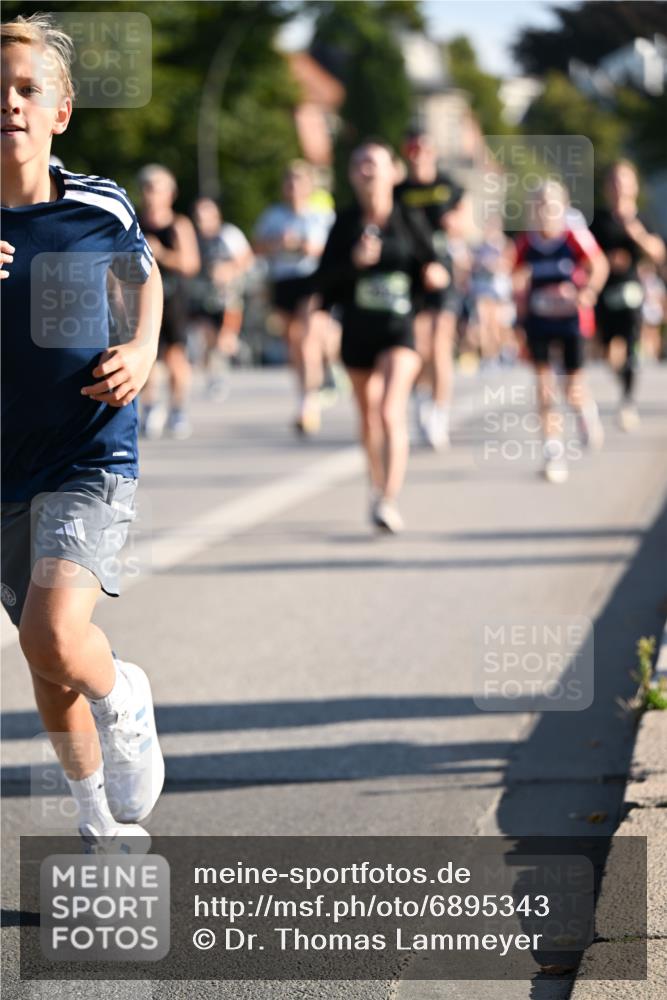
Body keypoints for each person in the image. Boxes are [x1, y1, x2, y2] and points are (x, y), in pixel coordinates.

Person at [1, 13, 165, 851]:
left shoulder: (98, 203)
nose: (10, 104)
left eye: (27, 90)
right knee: (45, 658)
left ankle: (124, 696)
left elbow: (145, 278)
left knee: (54, 633)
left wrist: (142, 348)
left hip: (89, 451)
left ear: (59, 111)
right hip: (5, 467)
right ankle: (95, 810)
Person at [313, 139, 449, 532]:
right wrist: (353, 262)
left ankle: (388, 498)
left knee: (390, 410)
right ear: (352, 175)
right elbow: (323, 280)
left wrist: (435, 275)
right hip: (358, 330)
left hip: (400, 329)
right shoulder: (345, 223)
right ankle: (377, 486)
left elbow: (436, 265)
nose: (367, 170)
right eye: (359, 163)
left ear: (393, 172)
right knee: (369, 418)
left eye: (374, 162)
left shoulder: (408, 218)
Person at [513, 179, 608, 484]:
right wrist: (520, 308)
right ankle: (553, 452)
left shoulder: (572, 237)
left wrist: (587, 292)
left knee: (572, 385)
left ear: (562, 206)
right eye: (539, 204)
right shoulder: (526, 242)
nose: (545, 210)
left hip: (571, 320)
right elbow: (514, 275)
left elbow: (599, 265)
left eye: (550, 203)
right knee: (544, 385)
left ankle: (584, 411)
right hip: (539, 320)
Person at [395, 129, 465, 449]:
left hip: (442, 270)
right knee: (419, 345)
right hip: (412, 274)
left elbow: (465, 224)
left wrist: (455, 224)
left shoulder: (448, 186)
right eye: (413, 150)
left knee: (439, 344)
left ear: (433, 153)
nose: (419, 156)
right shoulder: (399, 191)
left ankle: (440, 412)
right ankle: (423, 398)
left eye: (424, 150)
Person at [253, 160, 333, 435]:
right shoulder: (273, 216)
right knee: (293, 343)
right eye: (289, 182)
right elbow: (256, 247)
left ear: (309, 186)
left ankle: (310, 402)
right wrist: (278, 243)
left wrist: (308, 247)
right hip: (283, 280)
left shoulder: (321, 216)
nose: (293, 187)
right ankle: (304, 393)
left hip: (312, 279)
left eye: (299, 182)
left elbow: (335, 249)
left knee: (308, 339)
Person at [590, 160, 666, 430]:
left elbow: (658, 252)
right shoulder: (598, 219)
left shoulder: (642, 218)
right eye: (614, 182)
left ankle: (627, 400)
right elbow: (586, 252)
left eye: (623, 181)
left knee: (630, 343)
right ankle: (623, 382)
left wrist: (638, 235)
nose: (619, 187)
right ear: (606, 187)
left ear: (634, 186)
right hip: (603, 291)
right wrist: (605, 261)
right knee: (608, 351)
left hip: (631, 289)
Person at [138, 164, 200, 439]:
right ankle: (150, 407)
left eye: (157, 189)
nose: (152, 195)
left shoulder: (179, 225)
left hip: (173, 298)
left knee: (175, 356)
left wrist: (162, 253)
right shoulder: (135, 222)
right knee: (146, 353)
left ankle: (177, 408)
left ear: (170, 194)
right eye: (148, 189)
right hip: (140, 297)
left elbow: (191, 264)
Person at [190, 196, 254, 396]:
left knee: (225, 340)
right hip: (203, 298)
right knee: (206, 339)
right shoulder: (194, 239)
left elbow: (248, 259)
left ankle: (232, 353)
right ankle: (215, 377)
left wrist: (229, 269)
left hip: (229, 299)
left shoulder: (229, 234)